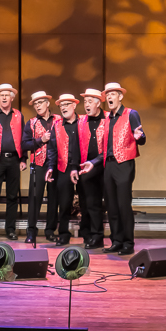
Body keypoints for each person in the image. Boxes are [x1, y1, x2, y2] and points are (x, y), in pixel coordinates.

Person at [80, 82, 146, 255]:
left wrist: (139, 137)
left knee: (124, 204)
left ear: (120, 96)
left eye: (113, 94)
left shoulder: (131, 114)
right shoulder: (107, 118)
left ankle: (128, 242)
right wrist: (93, 162)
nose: (109, 97)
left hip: (124, 164)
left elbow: (141, 136)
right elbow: (105, 149)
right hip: (107, 164)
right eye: (107, 95)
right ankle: (116, 240)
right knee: (111, 205)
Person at [45, 94, 99, 247]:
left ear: (74, 106)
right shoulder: (57, 125)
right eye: (61, 105)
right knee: (64, 203)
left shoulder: (84, 121)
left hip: (83, 166)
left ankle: (87, 234)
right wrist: (50, 167)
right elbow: (52, 149)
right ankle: (63, 234)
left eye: (67, 104)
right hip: (64, 167)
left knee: (86, 201)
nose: (63, 108)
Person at [0, 84, 27, 241]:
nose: (3, 97)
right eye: (1, 95)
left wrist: (23, 158)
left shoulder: (18, 115)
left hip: (14, 160)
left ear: (12, 98)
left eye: (6, 95)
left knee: (12, 197)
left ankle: (10, 229)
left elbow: (23, 138)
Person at [21, 91, 61, 243]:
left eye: (40, 103)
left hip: (56, 164)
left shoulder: (58, 120)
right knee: (35, 199)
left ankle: (50, 231)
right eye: (35, 104)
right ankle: (31, 232)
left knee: (53, 199)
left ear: (47, 103)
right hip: (38, 164)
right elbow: (24, 144)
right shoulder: (31, 123)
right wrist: (40, 140)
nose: (37, 106)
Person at [78, 88, 107, 249]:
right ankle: (94, 236)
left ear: (98, 103)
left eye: (90, 101)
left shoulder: (109, 119)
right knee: (90, 203)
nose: (87, 105)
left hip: (106, 166)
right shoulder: (82, 121)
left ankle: (118, 239)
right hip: (87, 168)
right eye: (85, 102)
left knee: (110, 203)